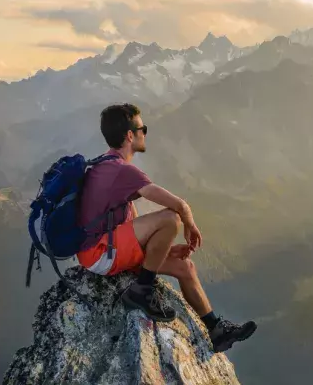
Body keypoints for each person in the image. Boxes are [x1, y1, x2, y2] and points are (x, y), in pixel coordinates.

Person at [76, 103, 257, 353]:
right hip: (99, 253)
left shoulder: (105, 164)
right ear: (130, 135)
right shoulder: (121, 170)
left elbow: (131, 228)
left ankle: (216, 330)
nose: (145, 133)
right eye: (143, 128)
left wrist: (162, 251)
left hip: (107, 250)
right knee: (171, 218)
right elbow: (178, 206)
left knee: (186, 267)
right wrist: (189, 224)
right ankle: (141, 291)